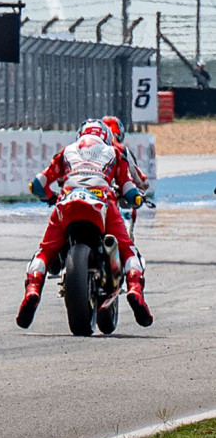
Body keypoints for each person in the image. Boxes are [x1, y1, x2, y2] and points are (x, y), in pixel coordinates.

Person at [19, 119, 152, 328]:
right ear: (107, 137)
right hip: (102, 199)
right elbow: (130, 189)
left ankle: (32, 290)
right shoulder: (115, 152)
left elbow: (36, 185)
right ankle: (135, 290)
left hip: (68, 199)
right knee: (128, 249)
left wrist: (50, 197)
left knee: (45, 251)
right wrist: (136, 199)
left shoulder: (66, 151)